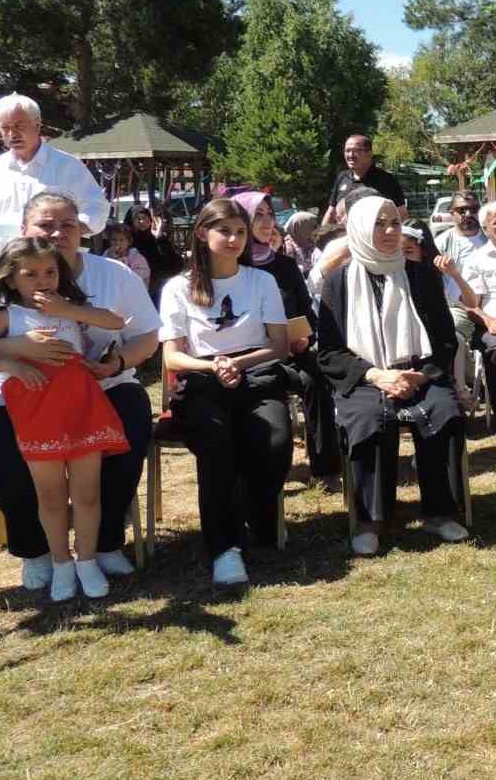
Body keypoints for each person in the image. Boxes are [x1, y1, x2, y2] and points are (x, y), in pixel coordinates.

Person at [0, 192, 159, 589]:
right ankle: (37, 551)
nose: (57, 233)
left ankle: (102, 545)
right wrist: (16, 351)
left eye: (67, 224)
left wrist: (114, 365)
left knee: (132, 419)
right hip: (20, 391)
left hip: (98, 384)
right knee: (5, 442)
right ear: (24, 232)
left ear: (82, 230)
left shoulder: (113, 275)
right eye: (45, 225)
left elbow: (144, 335)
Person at [316, 198, 469, 554]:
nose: (388, 232)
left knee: (443, 412)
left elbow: (446, 339)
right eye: (378, 224)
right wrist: (375, 375)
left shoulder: (420, 276)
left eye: (393, 223)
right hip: (367, 376)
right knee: (369, 419)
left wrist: (423, 375)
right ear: (358, 229)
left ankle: (440, 512)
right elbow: (329, 353)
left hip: (419, 372)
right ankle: (371, 519)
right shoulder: (338, 283)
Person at [158, 198, 293, 586]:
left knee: (275, 439)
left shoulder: (261, 281)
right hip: (201, 379)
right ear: (202, 233)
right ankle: (225, 548)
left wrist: (238, 364)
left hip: (255, 373)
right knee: (217, 445)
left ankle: (255, 517)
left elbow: (279, 345)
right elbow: (172, 358)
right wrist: (214, 366)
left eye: (240, 231)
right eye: (224, 231)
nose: (234, 239)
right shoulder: (178, 288)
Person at [233, 191, 341, 489]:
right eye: (259, 215)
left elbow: (308, 313)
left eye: (270, 215)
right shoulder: (232, 269)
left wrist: (305, 336)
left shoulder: (284, 266)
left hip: (290, 352)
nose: (267, 223)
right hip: (246, 356)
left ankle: (326, 467)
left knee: (315, 378)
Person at [0, 93, 110, 240]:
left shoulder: (67, 165)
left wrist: (68, 232)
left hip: (55, 265)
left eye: (18, 126)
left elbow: (97, 208)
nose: (12, 134)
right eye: (5, 128)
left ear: (37, 125)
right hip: (5, 262)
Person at [463, 200, 496, 437]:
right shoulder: (477, 259)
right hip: (491, 326)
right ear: (486, 227)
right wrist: (489, 321)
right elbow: (470, 306)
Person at [323, 134, 406, 224]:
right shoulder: (342, 177)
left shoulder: (386, 180)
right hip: (344, 236)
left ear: (369, 154)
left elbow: (401, 215)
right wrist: (321, 236)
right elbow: (331, 212)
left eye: (356, 151)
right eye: (347, 151)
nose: (351, 155)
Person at [126, 204, 183, 300]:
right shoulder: (126, 242)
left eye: (145, 218)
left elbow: (176, 266)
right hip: (133, 292)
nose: (142, 221)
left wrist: (160, 238)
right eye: (138, 219)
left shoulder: (157, 239)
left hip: (157, 291)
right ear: (131, 221)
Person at [436, 192, 487, 262]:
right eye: (462, 210)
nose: (468, 214)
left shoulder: (492, 238)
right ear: (452, 213)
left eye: (473, 209)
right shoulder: (441, 243)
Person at [103, 222, 151, 286]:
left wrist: (129, 275)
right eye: (114, 240)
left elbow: (146, 272)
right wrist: (110, 259)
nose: (117, 243)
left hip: (131, 288)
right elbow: (102, 269)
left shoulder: (135, 257)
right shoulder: (107, 254)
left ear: (129, 241)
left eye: (121, 240)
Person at [281, 210, 319, 281]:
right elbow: (290, 269)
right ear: (299, 226)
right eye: (311, 226)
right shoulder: (288, 245)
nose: (315, 229)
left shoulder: (311, 239)